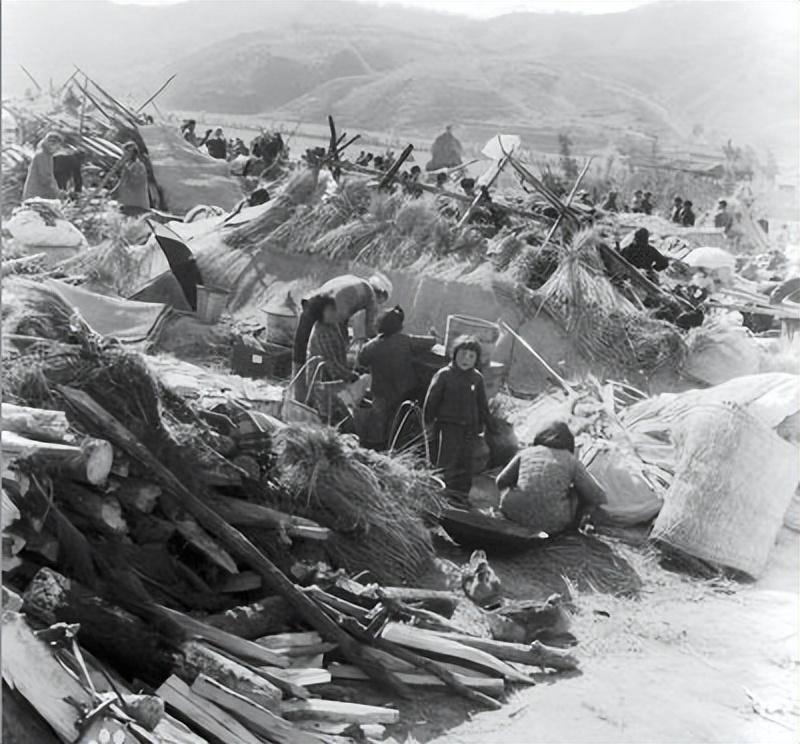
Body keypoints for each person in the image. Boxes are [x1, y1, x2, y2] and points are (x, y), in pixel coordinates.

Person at [496, 421, 606, 535]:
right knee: (578, 492)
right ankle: (575, 529)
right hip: (553, 522)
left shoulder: (525, 453)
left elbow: (501, 481)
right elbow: (597, 496)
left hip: (513, 513)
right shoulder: (571, 460)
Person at [423, 336, 493, 495]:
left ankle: (460, 496)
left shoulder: (476, 378)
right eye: (462, 354)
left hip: (469, 429)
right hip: (448, 427)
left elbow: (482, 403)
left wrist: (489, 423)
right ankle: (439, 495)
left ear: (476, 360)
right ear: (454, 354)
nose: (466, 359)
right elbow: (431, 401)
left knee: (465, 464)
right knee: (445, 463)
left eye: (471, 356)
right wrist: (428, 423)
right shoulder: (444, 375)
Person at [357, 306, 417, 449]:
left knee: (379, 420)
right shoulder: (405, 340)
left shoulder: (372, 346)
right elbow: (429, 342)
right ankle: (394, 445)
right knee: (396, 419)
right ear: (400, 327)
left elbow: (362, 360)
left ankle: (376, 447)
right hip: (402, 388)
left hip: (380, 389)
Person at [317, 273, 392, 340]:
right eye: (381, 302)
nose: (379, 305)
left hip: (317, 302)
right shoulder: (370, 295)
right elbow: (370, 329)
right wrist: (378, 341)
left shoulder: (355, 280)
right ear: (381, 294)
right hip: (329, 313)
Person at [112, 142, 149, 217]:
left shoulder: (139, 166)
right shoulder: (127, 165)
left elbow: (136, 182)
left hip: (137, 201)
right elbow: (122, 180)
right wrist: (115, 190)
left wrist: (128, 174)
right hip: (126, 200)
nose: (124, 155)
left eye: (126, 153)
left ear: (133, 153)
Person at [22, 131, 63, 200]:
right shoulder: (42, 155)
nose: (57, 150)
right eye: (57, 147)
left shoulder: (47, 155)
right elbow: (45, 178)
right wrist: (57, 193)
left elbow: (50, 176)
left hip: (39, 194)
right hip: (36, 195)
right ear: (51, 144)